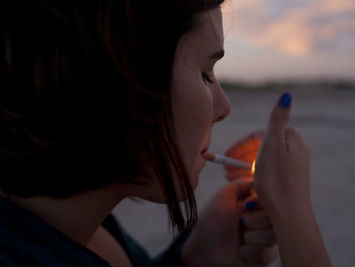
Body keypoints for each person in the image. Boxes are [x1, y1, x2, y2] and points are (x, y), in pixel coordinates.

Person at [0, 1, 331, 266]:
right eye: (205, 73)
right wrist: (296, 218)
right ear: (126, 80)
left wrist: (195, 257)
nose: (224, 107)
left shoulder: (80, 225)